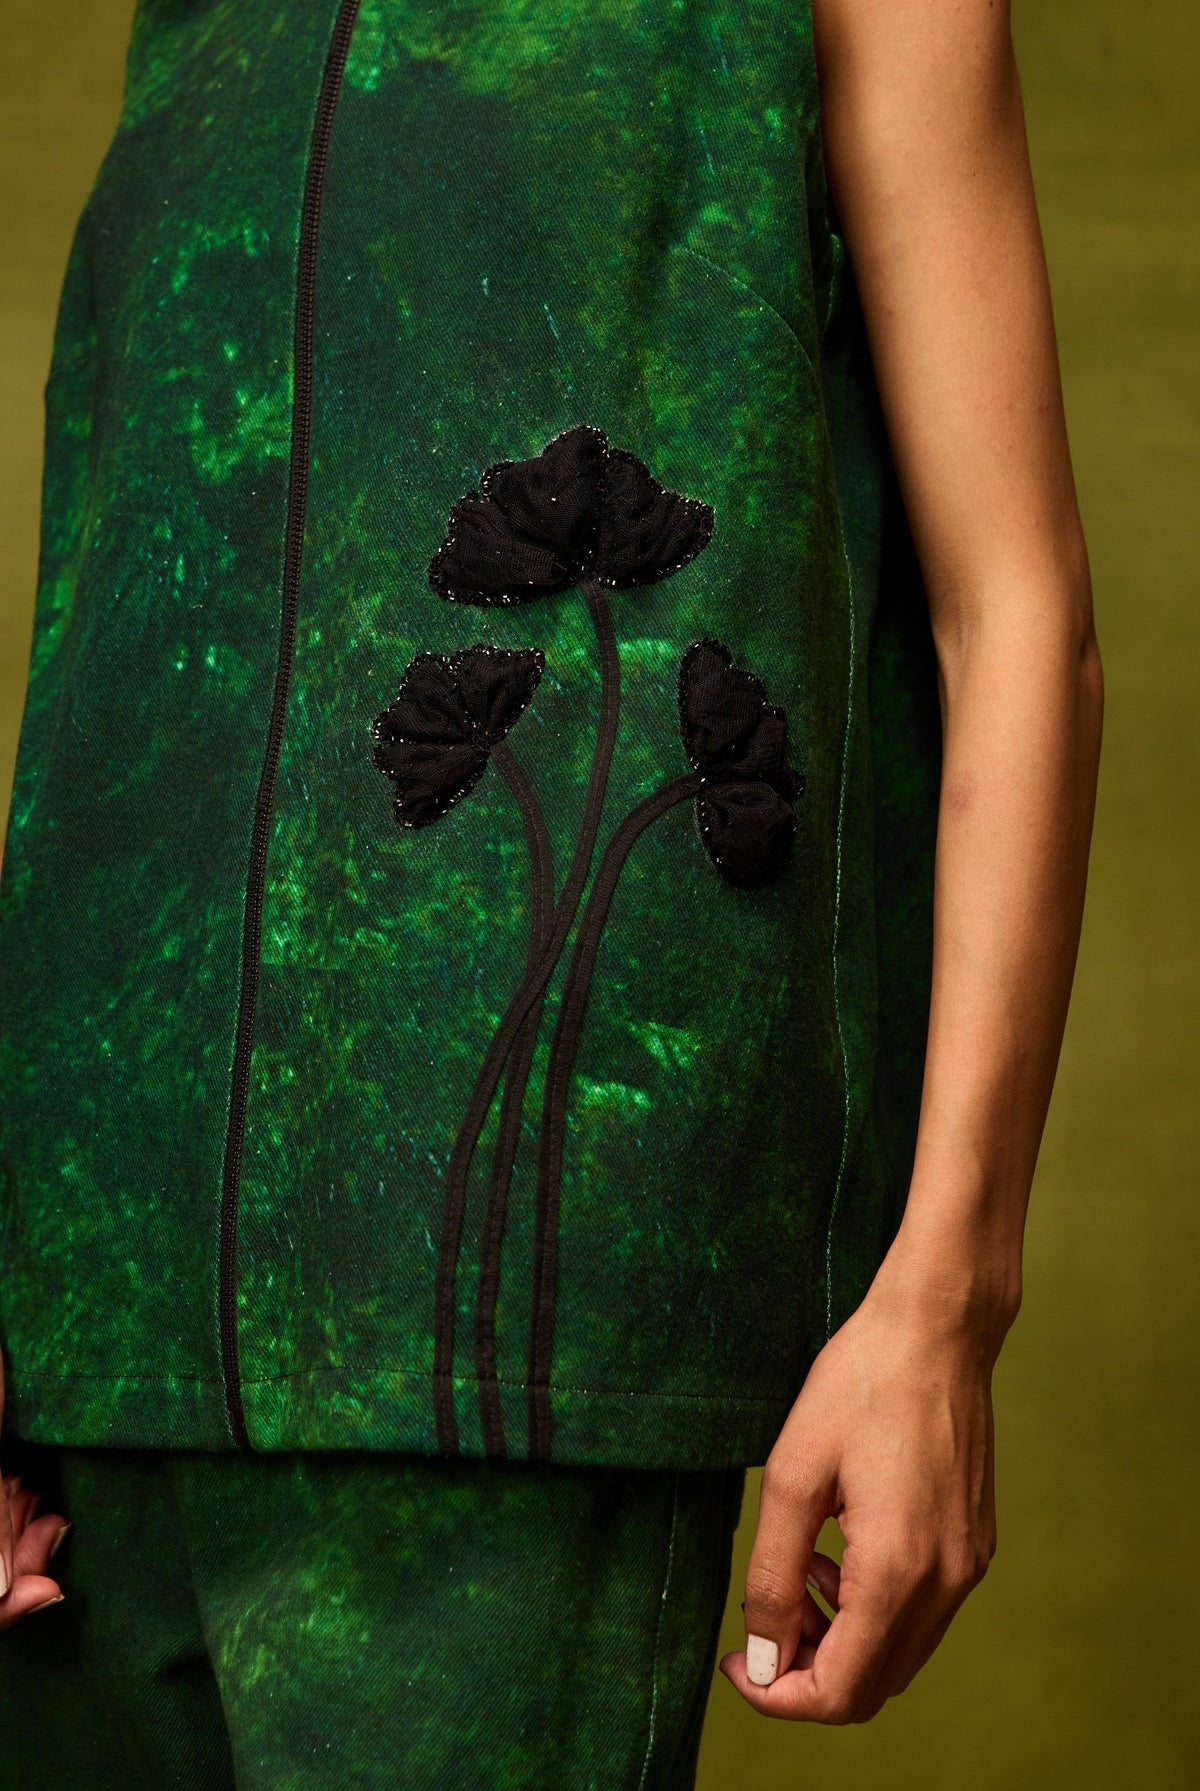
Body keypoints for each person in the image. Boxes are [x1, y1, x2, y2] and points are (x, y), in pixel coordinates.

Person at [0, 0, 1102, 1779]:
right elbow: (108, 651)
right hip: (80, 1305)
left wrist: (946, 1296)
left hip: (526, 1305)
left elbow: (1017, 615)